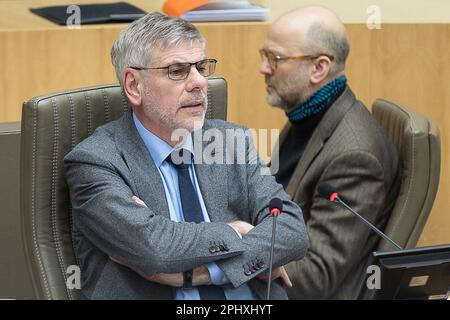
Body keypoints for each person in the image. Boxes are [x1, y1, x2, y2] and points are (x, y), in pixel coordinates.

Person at [64, 12, 308, 300]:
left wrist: (199, 274)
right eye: (177, 71)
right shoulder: (96, 161)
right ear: (134, 86)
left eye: (201, 67)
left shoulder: (232, 143)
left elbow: (292, 229)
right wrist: (237, 230)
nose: (199, 83)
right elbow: (153, 248)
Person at [259, 6, 401, 299]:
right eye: (265, 55)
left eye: (276, 58)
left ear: (319, 68)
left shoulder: (355, 156)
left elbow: (314, 277)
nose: (264, 67)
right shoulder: (306, 116)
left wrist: (229, 258)